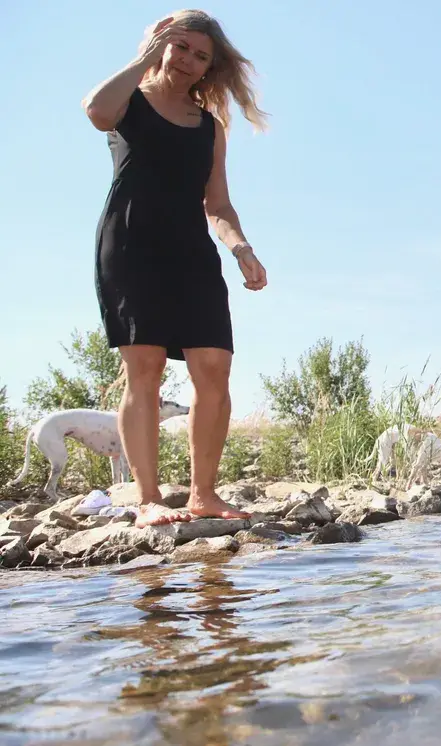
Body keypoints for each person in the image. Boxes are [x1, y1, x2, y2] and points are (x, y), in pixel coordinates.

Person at [82, 10, 269, 527]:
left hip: (192, 253)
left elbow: (218, 205)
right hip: (131, 246)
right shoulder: (128, 102)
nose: (188, 60)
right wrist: (144, 56)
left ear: (211, 67)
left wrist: (241, 248)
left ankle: (203, 494)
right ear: (162, 44)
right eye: (180, 46)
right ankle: (147, 499)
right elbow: (96, 110)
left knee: (214, 366)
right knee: (144, 369)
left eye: (200, 55)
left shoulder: (210, 127)